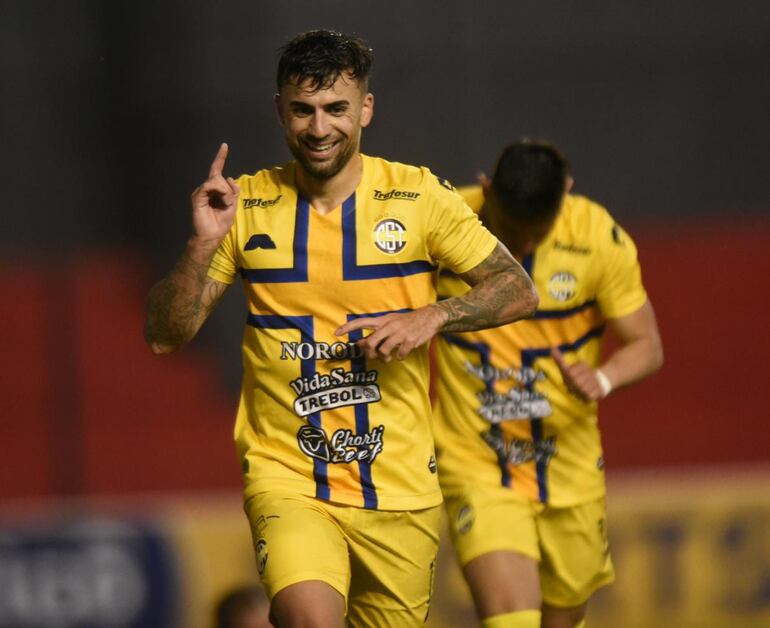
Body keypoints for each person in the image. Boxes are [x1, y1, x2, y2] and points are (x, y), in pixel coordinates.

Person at [144, 30, 538, 628]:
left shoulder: (419, 198)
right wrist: (201, 247)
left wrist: (432, 316)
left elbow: (517, 289)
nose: (319, 127)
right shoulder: (243, 207)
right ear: (280, 110)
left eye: (336, 109)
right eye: (302, 110)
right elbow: (165, 333)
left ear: (366, 111)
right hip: (290, 479)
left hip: (401, 490)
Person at [433, 140, 664, 628]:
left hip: (571, 467)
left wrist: (603, 377)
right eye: (510, 235)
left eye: (536, 237)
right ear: (487, 190)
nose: (522, 251)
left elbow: (647, 345)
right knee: (511, 620)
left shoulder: (597, 237)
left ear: (568, 194)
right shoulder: (444, 218)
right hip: (477, 462)